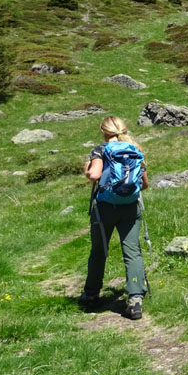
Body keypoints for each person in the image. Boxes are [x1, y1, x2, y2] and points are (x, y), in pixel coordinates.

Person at [79, 115, 148, 320]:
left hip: (105, 208)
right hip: (130, 208)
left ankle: (91, 295)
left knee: (99, 251)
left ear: (103, 131)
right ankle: (135, 299)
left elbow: (94, 175)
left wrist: (86, 169)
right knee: (133, 252)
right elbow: (144, 184)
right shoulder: (135, 149)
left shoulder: (100, 150)